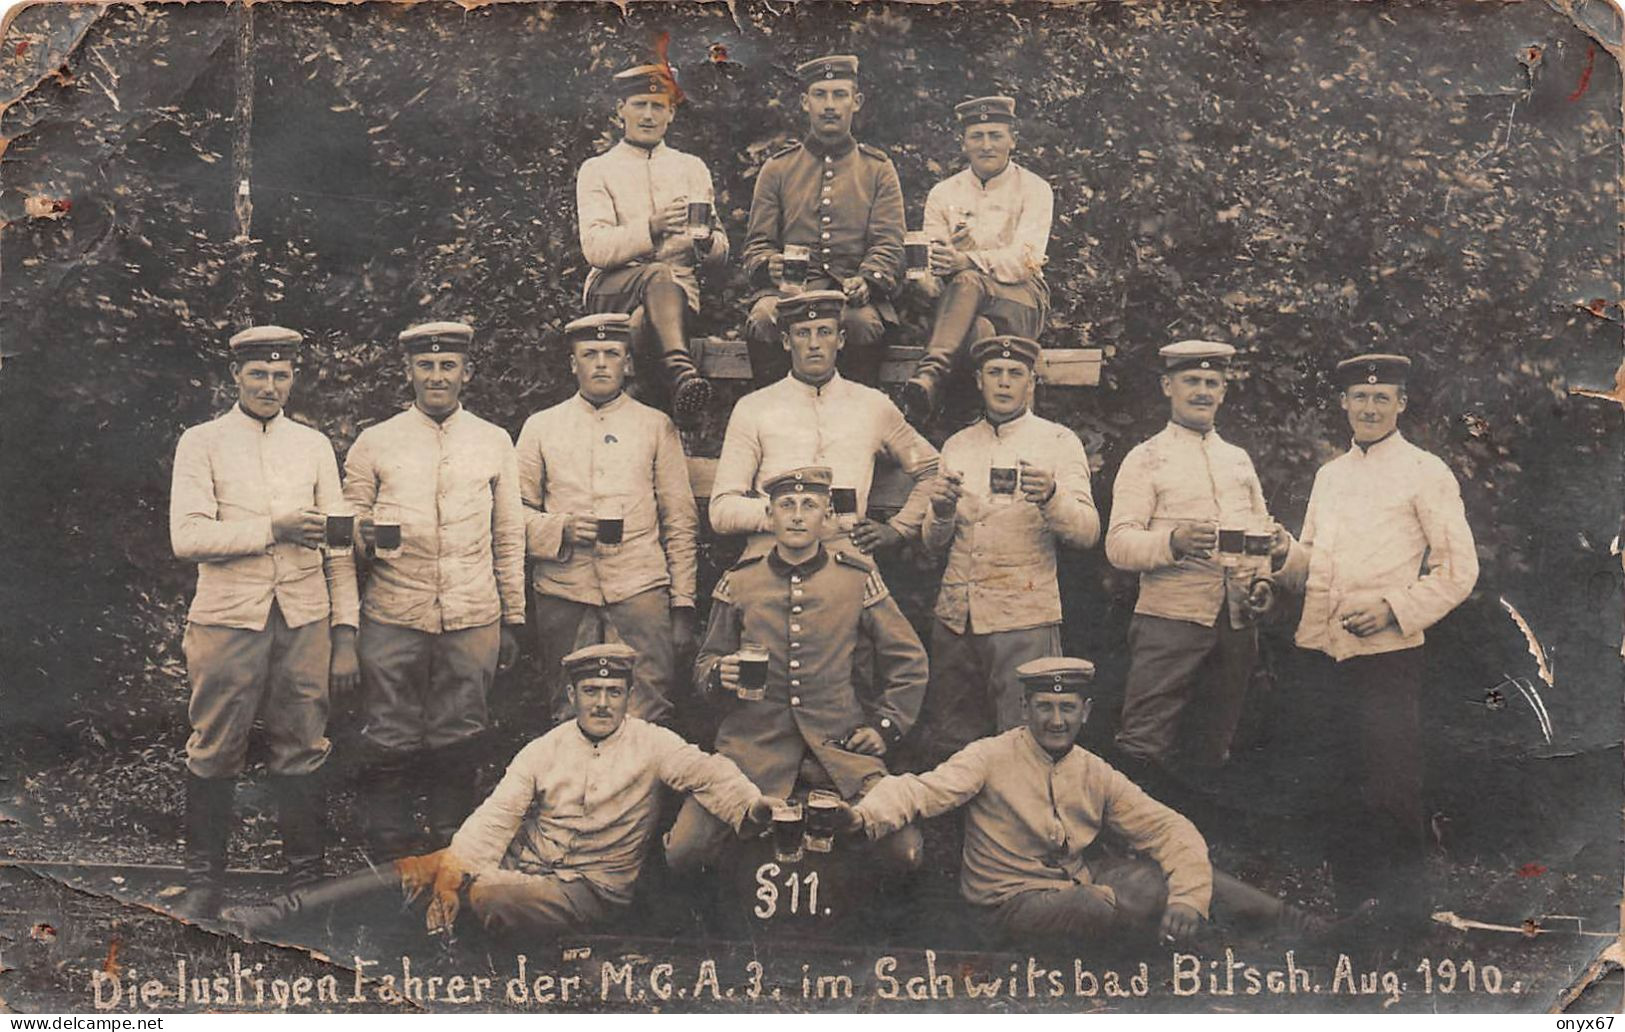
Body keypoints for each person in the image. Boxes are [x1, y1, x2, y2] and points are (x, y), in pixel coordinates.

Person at [221, 644, 776, 940]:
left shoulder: (655, 744)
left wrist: (754, 807)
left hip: (588, 887)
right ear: (573, 695)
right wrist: (455, 866)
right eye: (591, 691)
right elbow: (498, 815)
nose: (603, 703)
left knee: (488, 896)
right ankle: (273, 915)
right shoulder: (545, 748)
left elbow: (710, 772)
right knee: (418, 871)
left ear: (630, 695)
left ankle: (435, 921)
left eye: (613, 691)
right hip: (518, 863)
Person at [844, 657, 1326, 947]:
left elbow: (1168, 828)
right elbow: (920, 790)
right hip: (1009, 905)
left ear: (1085, 712)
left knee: (1171, 880)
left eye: (1067, 708)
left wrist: (1188, 898)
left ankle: (1310, 930)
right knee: (1103, 905)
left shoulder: (1094, 770)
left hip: (1079, 887)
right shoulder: (989, 756)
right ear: (1025, 709)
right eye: (1045, 708)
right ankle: (1155, 936)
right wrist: (864, 816)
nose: (1056, 720)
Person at [1274, 353, 1478, 921]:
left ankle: (1407, 914)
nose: (1369, 407)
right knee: (1336, 780)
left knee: (1390, 785)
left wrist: (1394, 608)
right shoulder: (1329, 475)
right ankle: (1353, 906)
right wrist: (1281, 558)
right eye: (1360, 398)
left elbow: (1459, 570)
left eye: (1381, 398)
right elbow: (1313, 559)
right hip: (1322, 649)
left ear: (1401, 404)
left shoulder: (1426, 471)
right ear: (1343, 403)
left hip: (1387, 654)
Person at [168, 326, 359, 916]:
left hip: (304, 617)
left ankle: (304, 880)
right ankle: (205, 881)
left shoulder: (313, 445)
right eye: (258, 374)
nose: (270, 386)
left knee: (303, 742)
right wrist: (271, 529)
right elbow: (188, 536)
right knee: (215, 743)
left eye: (281, 375)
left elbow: (341, 542)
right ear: (235, 377)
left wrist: (345, 629)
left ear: (293, 377)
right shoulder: (202, 443)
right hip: (228, 617)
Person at [665, 466, 928, 875]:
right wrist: (720, 674)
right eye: (786, 505)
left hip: (840, 753)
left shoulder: (857, 578)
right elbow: (704, 666)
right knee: (684, 852)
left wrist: (885, 727)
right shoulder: (740, 580)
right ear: (769, 516)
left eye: (810, 505)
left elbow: (909, 660)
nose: (798, 515)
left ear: (826, 517)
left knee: (904, 852)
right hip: (752, 751)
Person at [342, 321, 526, 857]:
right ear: (409, 372)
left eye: (448, 366)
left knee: (462, 728)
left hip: (473, 612)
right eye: (426, 365)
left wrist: (513, 617)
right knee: (388, 728)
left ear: (466, 372)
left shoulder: (493, 441)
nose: (437, 376)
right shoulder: (376, 441)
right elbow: (345, 523)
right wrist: (361, 533)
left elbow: (508, 534)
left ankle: (453, 848)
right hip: (393, 611)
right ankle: (389, 853)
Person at [1105, 340, 1294, 789]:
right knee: (1144, 737)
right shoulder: (1146, 457)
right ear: (1167, 386)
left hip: (1235, 621)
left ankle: (1201, 842)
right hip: (1170, 617)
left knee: (1215, 738)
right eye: (1192, 381)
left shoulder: (1237, 459)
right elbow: (1117, 544)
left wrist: (1264, 579)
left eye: (1212, 382)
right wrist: (1173, 541)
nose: (1202, 391)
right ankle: (1133, 840)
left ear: (1224, 391)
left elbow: (1259, 533)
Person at [912, 335, 1098, 765]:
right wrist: (939, 510)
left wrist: (1051, 496)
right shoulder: (959, 444)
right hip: (958, 617)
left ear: (1031, 383)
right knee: (953, 739)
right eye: (995, 373)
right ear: (979, 380)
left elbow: (1088, 533)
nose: (1004, 382)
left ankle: (1019, 828)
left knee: (1023, 743)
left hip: (1023, 617)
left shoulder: (1058, 441)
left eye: (1015, 374)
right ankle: (958, 829)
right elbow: (933, 542)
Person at [516, 313, 699, 725]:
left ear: (628, 364)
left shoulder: (655, 426)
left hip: (639, 588)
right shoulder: (541, 427)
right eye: (589, 354)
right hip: (564, 591)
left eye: (612, 354)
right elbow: (511, 519)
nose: (601, 363)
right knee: (569, 711)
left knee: (648, 707)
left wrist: (683, 603)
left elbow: (680, 520)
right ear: (572, 363)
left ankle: (640, 790)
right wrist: (559, 528)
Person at [709, 289, 938, 562]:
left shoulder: (872, 406)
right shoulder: (754, 407)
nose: (814, 344)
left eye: (824, 332)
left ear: (840, 340)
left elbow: (933, 469)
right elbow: (721, 510)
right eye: (802, 333)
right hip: (769, 555)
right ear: (785, 341)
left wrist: (899, 529)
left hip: (846, 556)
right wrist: (784, 517)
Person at [575, 62, 728, 428]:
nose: (647, 115)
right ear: (620, 111)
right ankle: (680, 370)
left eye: (657, 106)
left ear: (671, 113)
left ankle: (656, 424)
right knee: (657, 274)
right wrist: (651, 228)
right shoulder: (598, 169)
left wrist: (707, 243)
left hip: (676, 302)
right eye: (639, 104)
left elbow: (721, 252)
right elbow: (595, 248)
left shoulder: (692, 168)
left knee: (645, 322)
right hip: (612, 292)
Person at [740, 54, 904, 386]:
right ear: (805, 102)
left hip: (851, 294)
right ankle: (775, 421)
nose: (830, 105)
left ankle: (859, 429)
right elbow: (757, 245)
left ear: (855, 102)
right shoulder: (778, 168)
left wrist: (867, 281)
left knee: (863, 324)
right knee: (763, 317)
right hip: (791, 293)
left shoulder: (877, 168)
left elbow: (889, 243)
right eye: (820, 94)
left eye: (839, 95)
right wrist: (768, 263)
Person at [900, 96, 1054, 426]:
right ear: (964, 142)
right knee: (980, 330)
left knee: (968, 279)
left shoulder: (1035, 189)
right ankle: (974, 428)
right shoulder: (944, 192)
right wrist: (927, 277)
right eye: (977, 136)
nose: (987, 145)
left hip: (1021, 302)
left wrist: (966, 261)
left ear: (1013, 139)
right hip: (962, 313)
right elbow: (936, 259)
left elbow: (1024, 261)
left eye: (995, 135)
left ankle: (932, 372)